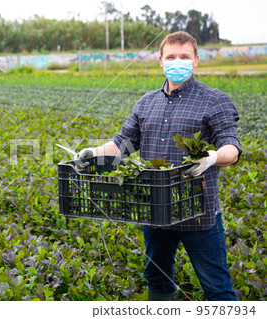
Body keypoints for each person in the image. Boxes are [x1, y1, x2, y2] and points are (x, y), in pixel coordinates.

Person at [76, 31, 241, 301]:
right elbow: (122, 145)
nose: (178, 62)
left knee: (216, 287)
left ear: (196, 60)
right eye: (172, 57)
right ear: (161, 61)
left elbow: (231, 148)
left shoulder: (214, 100)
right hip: (154, 210)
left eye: (185, 57)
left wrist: (212, 157)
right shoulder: (146, 102)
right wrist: (93, 153)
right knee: (157, 278)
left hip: (198, 212)